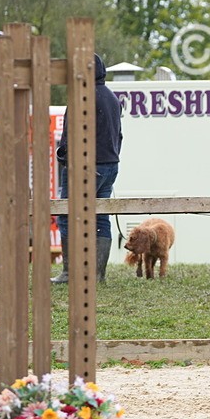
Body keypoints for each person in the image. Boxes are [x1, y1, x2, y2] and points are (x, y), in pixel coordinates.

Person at [52, 54, 122, 284]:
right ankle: (98, 274)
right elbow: (119, 135)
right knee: (100, 217)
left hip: (85, 167)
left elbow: (71, 136)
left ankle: (69, 272)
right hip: (110, 165)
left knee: (67, 215)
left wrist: (64, 156)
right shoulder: (112, 98)